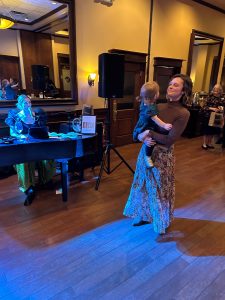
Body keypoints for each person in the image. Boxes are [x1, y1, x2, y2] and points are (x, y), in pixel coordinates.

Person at [123, 74, 192, 235]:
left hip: (163, 157)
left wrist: (149, 133)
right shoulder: (158, 106)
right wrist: (140, 136)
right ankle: (144, 215)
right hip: (146, 154)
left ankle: (162, 221)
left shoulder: (183, 113)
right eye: (170, 83)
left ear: (183, 91)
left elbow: (169, 140)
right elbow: (140, 127)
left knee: (161, 190)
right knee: (142, 186)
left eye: (176, 85)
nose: (171, 86)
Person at [5, 94, 55, 205]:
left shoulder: (36, 115)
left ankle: (46, 180)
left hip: (37, 145)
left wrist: (46, 133)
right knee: (25, 161)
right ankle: (28, 187)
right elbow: (12, 133)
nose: (28, 105)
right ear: (20, 104)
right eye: (25, 103)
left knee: (48, 156)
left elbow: (41, 130)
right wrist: (22, 136)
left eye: (29, 102)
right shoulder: (15, 116)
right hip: (23, 147)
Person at [133, 81, 172, 168]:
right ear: (155, 96)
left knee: (149, 139)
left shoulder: (145, 101)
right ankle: (148, 157)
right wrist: (164, 125)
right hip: (146, 126)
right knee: (151, 141)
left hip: (142, 124)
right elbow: (156, 119)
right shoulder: (151, 107)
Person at [201, 84, 224, 150]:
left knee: (213, 131)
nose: (215, 91)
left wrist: (221, 108)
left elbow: (223, 106)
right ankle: (204, 144)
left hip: (217, 116)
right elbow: (204, 106)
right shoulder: (209, 96)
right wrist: (212, 108)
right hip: (208, 115)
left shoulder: (221, 97)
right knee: (207, 130)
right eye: (214, 89)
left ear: (220, 90)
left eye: (217, 90)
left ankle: (209, 143)